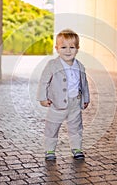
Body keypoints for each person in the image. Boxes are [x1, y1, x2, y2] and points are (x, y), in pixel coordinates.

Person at [37, 29, 90, 160]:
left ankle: (76, 148)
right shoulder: (52, 65)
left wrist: (86, 98)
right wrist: (43, 98)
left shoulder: (80, 66)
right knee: (52, 127)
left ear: (77, 49)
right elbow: (43, 82)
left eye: (72, 47)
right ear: (57, 48)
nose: (68, 51)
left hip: (75, 103)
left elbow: (84, 84)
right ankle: (49, 151)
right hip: (57, 103)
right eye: (63, 47)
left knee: (76, 127)